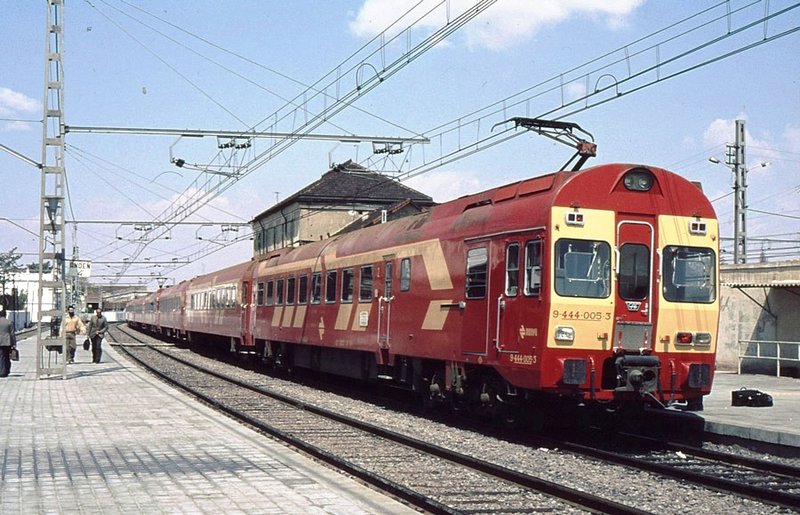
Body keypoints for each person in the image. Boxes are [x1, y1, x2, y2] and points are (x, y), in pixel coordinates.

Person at [0, 309, 17, 378]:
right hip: (7, 342)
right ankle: (6, 371)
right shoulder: (9, 322)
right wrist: (14, 343)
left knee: (1, 356)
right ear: (5, 315)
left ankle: (1, 371)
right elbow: (12, 334)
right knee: (7, 356)